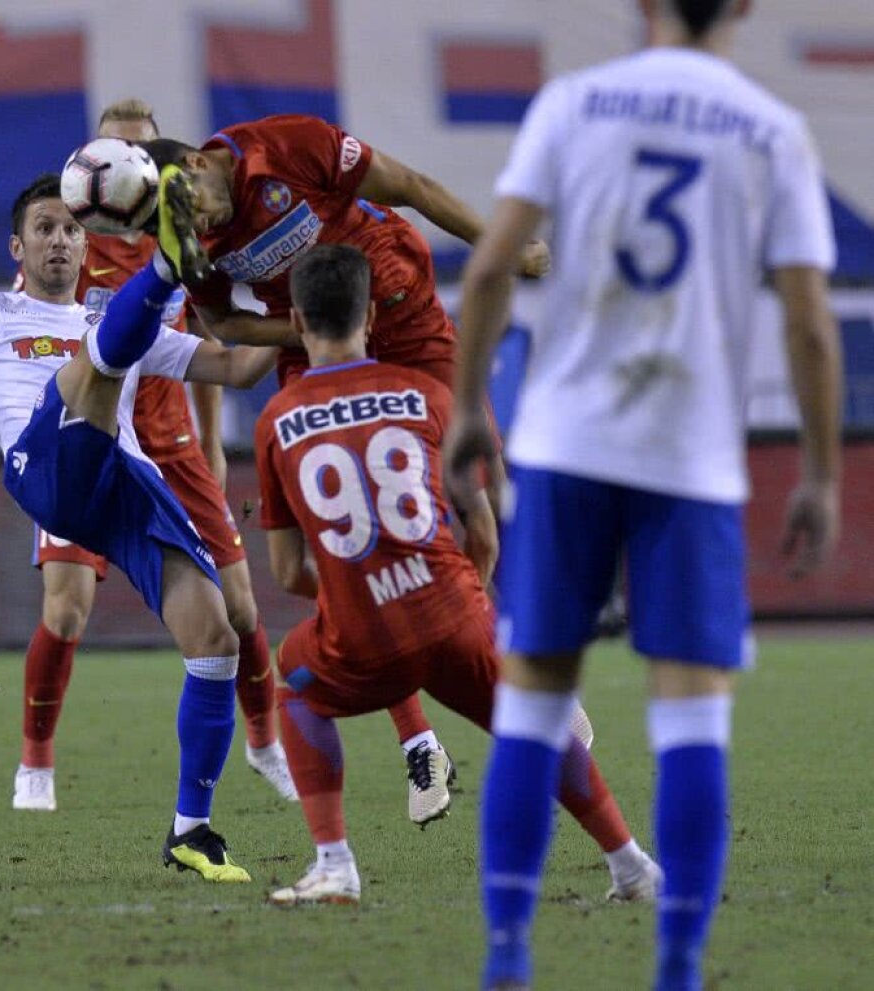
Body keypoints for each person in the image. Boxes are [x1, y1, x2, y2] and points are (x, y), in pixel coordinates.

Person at [445, 2, 842, 988]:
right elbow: (808, 325)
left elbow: (491, 267)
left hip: (567, 443)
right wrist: (824, 472)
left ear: (641, 5)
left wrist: (464, 415)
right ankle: (677, 969)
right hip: (691, 457)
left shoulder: (572, 105)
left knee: (534, 705)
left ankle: (506, 960)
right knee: (692, 715)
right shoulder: (772, 131)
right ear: (744, 7)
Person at [0, 169, 279, 883]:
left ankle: (191, 829)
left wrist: (292, 314)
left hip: (126, 485)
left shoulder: (107, 326)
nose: (59, 240)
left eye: (72, 229)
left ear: (86, 246)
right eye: (44, 228)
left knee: (216, 636)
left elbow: (234, 368)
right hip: (45, 468)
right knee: (96, 367)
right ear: (18, 247)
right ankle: (170, 262)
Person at [146, 114, 550, 823]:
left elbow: (413, 187)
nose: (198, 226)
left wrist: (501, 249)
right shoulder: (183, 238)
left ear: (200, 164)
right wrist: (314, 326)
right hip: (320, 348)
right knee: (341, 550)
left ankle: (480, 656)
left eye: (194, 207)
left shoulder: (287, 145)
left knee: (476, 512)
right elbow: (231, 327)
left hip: (402, 313)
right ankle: (418, 737)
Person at [255, 244, 660, 907]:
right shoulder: (426, 394)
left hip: (363, 639)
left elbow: (287, 568)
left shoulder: (278, 421)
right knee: (537, 724)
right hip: (453, 611)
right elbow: (482, 528)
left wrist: (354, 593)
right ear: (369, 317)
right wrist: (461, 592)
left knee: (296, 685)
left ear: (297, 320)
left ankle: (335, 862)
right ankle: (633, 866)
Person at [13, 99, 295, 813]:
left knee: (239, 607)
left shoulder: (186, 238)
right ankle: (36, 761)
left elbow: (208, 343)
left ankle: (265, 742)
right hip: (90, 440)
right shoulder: (69, 245)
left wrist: (210, 443)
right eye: (115, 152)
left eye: (143, 154)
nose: (131, 168)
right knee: (68, 607)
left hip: (169, 439)